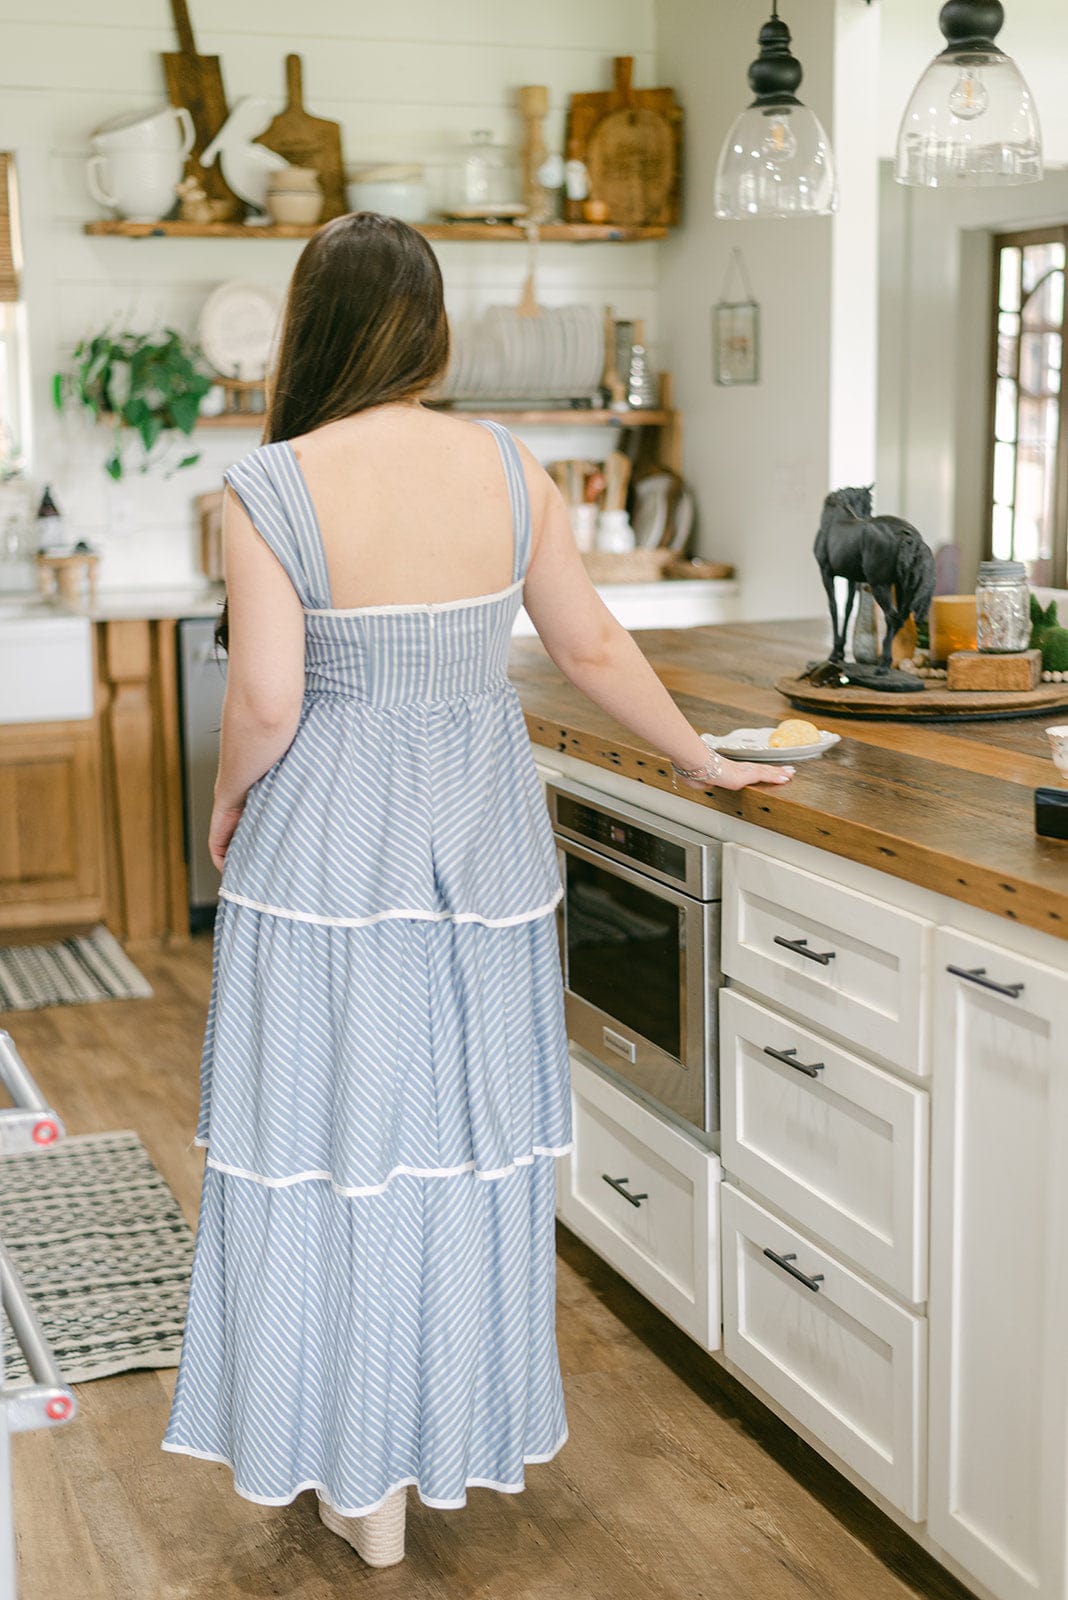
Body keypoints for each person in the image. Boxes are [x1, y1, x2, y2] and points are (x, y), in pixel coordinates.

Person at [161, 212, 793, 1568]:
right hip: (480, 850)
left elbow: (268, 696)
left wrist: (223, 802)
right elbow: (596, 645)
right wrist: (705, 760)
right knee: (453, 1146)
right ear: (432, 328)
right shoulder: (514, 469)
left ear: (312, 329)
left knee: (325, 1143)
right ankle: (427, 1441)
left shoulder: (268, 484)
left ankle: (350, 1469)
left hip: (327, 853)